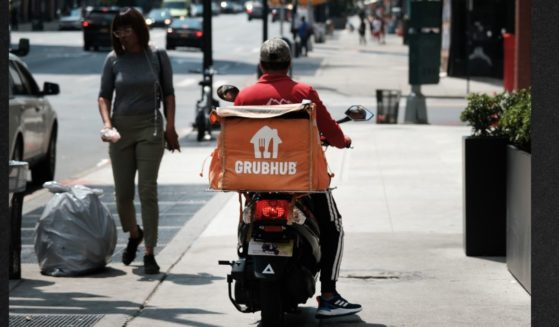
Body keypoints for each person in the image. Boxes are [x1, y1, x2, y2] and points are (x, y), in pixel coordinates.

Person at [234, 38, 362, 319]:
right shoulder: (303, 92)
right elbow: (334, 133)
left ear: (261, 65)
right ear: (289, 64)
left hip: (258, 179)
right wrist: (342, 139)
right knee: (333, 228)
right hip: (301, 180)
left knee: (246, 219)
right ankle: (328, 295)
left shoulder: (244, 96)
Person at [97, 7, 180, 274]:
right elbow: (103, 96)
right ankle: (134, 234)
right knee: (122, 194)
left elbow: (168, 94)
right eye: (118, 30)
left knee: (147, 190)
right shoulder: (113, 59)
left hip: (150, 127)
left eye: (127, 29)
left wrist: (171, 128)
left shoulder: (156, 55)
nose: (122, 35)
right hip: (121, 129)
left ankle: (150, 252)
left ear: (139, 30)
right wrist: (108, 124)